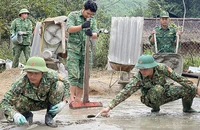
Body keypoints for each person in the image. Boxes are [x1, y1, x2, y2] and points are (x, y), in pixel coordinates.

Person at [100, 54, 198, 116]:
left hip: (165, 92)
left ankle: (187, 108)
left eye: (145, 69)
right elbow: (125, 92)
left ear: (152, 66)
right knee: (157, 89)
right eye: (140, 69)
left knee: (190, 88)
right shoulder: (139, 78)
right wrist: (109, 107)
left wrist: (195, 88)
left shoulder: (162, 68)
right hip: (149, 98)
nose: (142, 71)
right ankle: (155, 108)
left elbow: (179, 79)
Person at [0, 57, 70, 128]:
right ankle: (27, 116)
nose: (32, 76)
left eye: (36, 73)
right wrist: (14, 114)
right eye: (29, 73)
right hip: (28, 104)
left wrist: (64, 102)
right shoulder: (20, 82)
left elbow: (66, 83)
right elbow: (4, 102)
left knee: (59, 85)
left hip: (47, 102)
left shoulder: (51, 75)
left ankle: (49, 116)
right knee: (16, 98)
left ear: (42, 73)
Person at [66, 0, 98, 103]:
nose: (89, 15)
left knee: (84, 76)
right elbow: (69, 29)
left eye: (91, 14)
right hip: (74, 50)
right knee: (74, 74)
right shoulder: (73, 15)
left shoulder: (92, 20)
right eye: (88, 13)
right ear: (83, 9)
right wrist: (82, 26)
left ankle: (79, 99)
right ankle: (71, 99)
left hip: (86, 51)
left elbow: (96, 34)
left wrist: (91, 34)